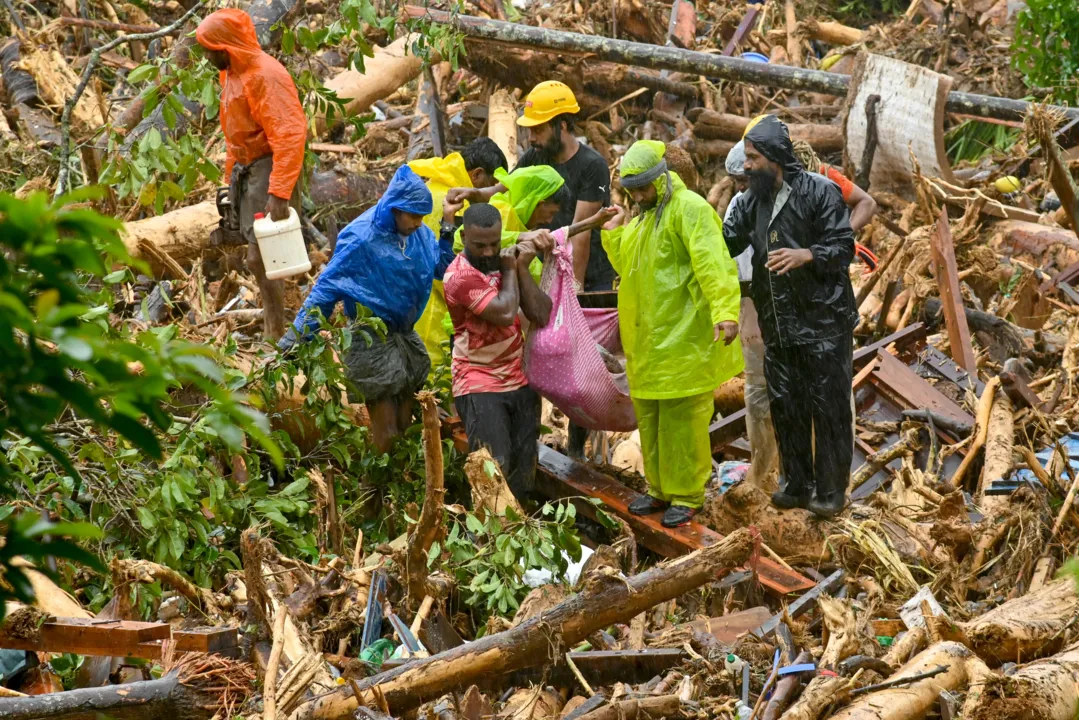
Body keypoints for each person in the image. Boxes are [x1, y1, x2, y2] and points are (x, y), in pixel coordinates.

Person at [722, 115, 858, 519]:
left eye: (752, 158)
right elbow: (723, 243)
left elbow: (843, 246)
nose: (746, 166)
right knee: (786, 405)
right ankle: (795, 483)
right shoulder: (749, 203)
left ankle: (832, 490)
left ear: (775, 158)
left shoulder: (820, 192)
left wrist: (807, 255)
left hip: (823, 324)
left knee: (829, 409)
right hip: (778, 324)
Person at [603, 140, 743, 528]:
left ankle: (687, 494)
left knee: (684, 421)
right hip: (648, 341)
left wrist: (725, 312)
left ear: (661, 180)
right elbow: (628, 266)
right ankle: (660, 488)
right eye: (633, 192)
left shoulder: (691, 210)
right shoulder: (644, 218)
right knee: (650, 418)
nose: (639, 197)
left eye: (644, 189)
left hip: (683, 339)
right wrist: (614, 233)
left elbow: (714, 264)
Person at [280, 166, 454, 453]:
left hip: (403, 335)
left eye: (422, 217)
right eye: (413, 216)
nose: (417, 223)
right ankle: (375, 493)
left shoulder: (419, 235)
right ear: (395, 209)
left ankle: (397, 488)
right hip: (370, 339)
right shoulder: (361, 238)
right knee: (386, 431)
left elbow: (442, 267)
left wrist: (447, 224)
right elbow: (325, 290)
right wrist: (293, 340)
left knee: (405, 422)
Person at [196, 9, 307, 341]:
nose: (206, 56)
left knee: (263, 255)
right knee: (253, 254)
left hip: (269, 165)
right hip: (248, 169)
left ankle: (277, 333)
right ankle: (275, 326)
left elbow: (289, 134)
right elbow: (235, 134)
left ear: (226, 46)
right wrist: (231, 181)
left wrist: (280, 191)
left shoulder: (265, 76)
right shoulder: (230, 73)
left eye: (208, 48)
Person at [444, 204, 555, 503]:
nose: (488, 251)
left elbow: (542, 313)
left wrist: (520, 269)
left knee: (524, 470)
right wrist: (509, 269)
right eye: (479, 245)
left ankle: (518, 541)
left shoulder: (505, 263)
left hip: (519, 377)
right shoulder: (459, 276)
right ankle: (488, 542)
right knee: (494, 470)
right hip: (478, 382)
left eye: (494, 243)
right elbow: (506, 313)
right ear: (464, 235)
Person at [410, 139, 509, 367]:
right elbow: (448, 270)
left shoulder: (431, 188)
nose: (490, 195)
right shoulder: (458, 204)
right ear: (477, 175)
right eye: (490, 185)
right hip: (434, 317)